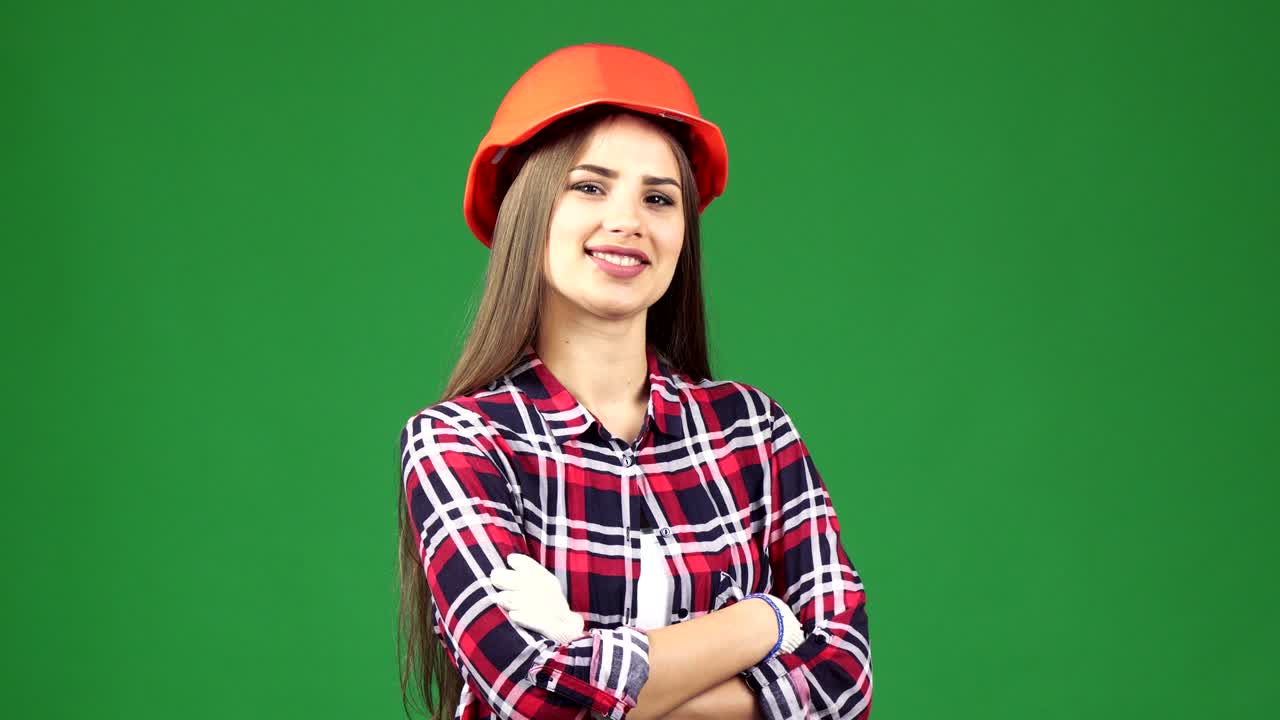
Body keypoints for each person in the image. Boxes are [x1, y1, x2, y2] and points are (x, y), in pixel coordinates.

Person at [397, 43, 872, 720]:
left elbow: (844, 686)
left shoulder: (754, 431)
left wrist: (585, 652)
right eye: (590, 187)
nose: (627, 221)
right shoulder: (458, 442)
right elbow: (534, 697)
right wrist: (760, 623)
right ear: (527, 212)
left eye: (658, 198)